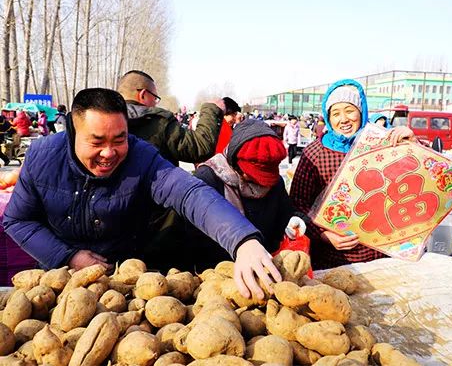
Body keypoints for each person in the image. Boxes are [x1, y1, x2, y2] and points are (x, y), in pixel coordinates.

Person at [3, 88, 281, 299]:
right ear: (73, 132)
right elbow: (17, 220)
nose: (109, 153)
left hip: (124, 281)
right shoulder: (42, 158)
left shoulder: (142, 158)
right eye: (97, 142)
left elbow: (189, 193)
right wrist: (68, 257)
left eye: (119, 139)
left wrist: (243, 241)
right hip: (57, 280)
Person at [290, 79, 417, 270]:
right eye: (335, 113)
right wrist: (322, 235)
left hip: (377, 255)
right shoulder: (315, 152)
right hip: (330, 258)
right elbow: (298, 204)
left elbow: (416, 178)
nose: (343, 119)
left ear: (361, 111)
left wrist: (411, 144)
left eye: (349, 110)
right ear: (328, 117)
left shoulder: (382, 144)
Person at [182, 119, 305, 271]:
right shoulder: (208, 180)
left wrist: (294, 222)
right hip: (217, 271)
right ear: (234, 162)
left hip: (266, 268)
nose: (261, 182)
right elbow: (193, 238)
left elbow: (284, 214)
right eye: (254, 174)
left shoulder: (275, 182)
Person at [117, 70, 224, 167]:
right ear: (143, 95)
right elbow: (201, 147)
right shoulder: (159, 121)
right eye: (155, 98)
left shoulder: (105, 120)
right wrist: (211, 109)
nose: (155, 103)